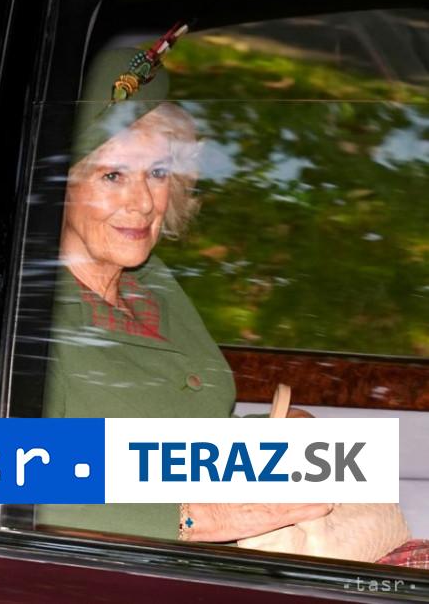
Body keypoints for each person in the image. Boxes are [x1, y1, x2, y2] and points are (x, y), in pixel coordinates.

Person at [36, 45, 332, 542]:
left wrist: (267, 435)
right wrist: (195, 519)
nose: (143, 202)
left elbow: (165, 432)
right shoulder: (25, 315)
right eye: (112, 175)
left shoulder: (151, 285)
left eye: (157, 172)